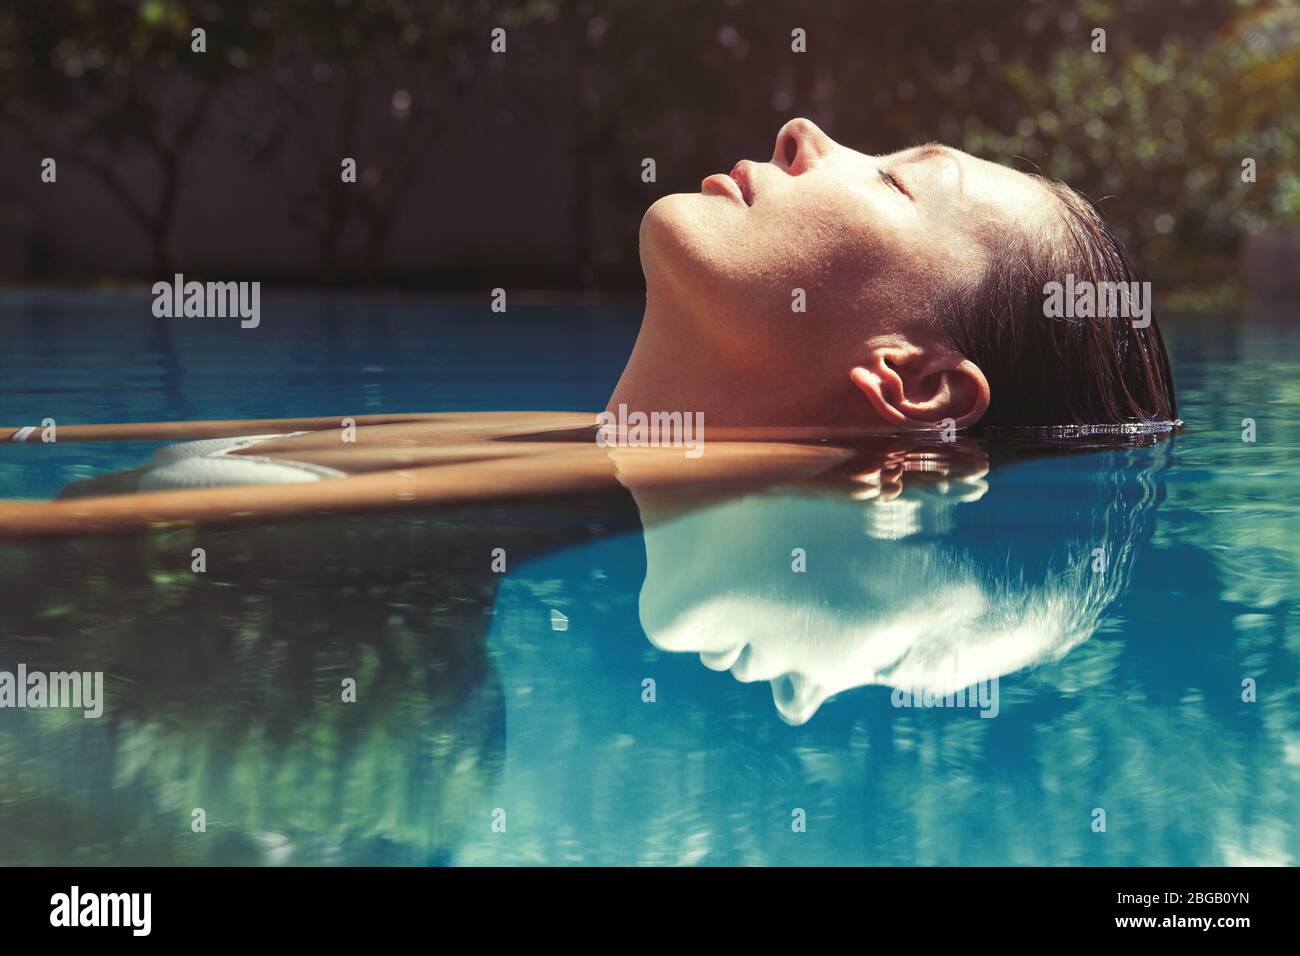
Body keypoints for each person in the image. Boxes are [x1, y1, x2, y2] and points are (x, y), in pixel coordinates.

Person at [0, 119, 1178, 537]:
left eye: (889, 178)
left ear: (909, 383)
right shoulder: (593, 446)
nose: (804, 132)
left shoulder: (612, 484)